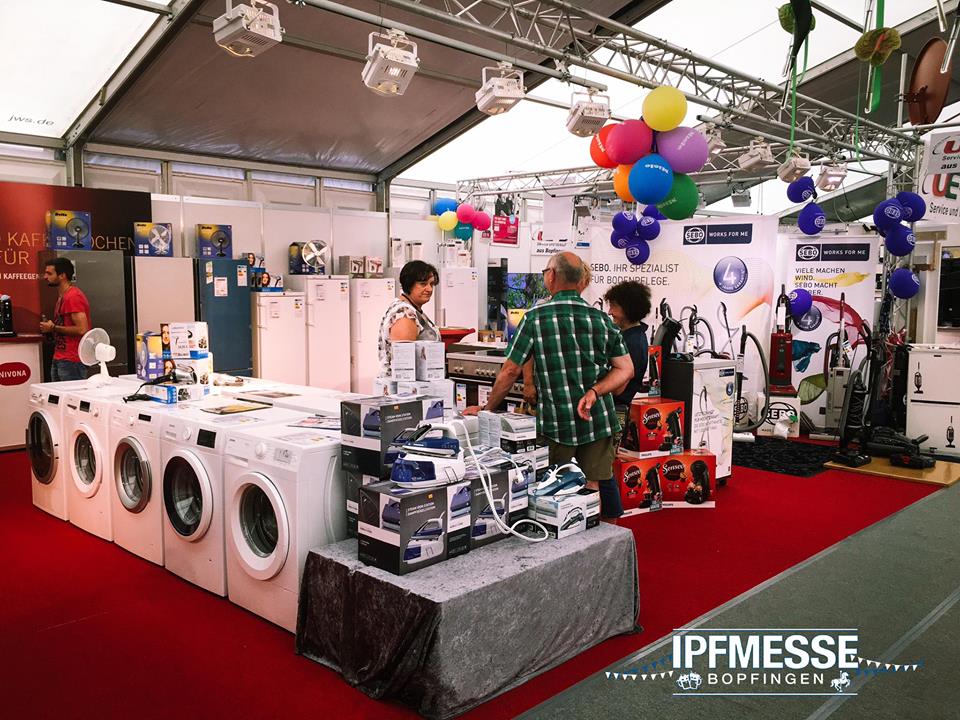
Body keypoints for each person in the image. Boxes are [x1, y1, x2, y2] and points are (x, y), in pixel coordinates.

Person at [465, 252, 634, 520]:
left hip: (557, 421)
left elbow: (510, 370)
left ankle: (560, 536)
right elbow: (625, 369)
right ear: (580, 280)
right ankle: (595, 537)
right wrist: (595, 391)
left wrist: (487, 409)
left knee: (554, 489)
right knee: (592, 487)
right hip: (599, 419)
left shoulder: (534, 318)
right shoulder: (602, 319)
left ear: (552, 276)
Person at [377, 260, 441, 378]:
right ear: (409, 284)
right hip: (405, 387)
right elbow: (405, 368)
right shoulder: (405, 315)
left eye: (431, 284)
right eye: (423, 284)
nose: (429, 289)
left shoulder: (411, 309)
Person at [40, 257, 91, 381]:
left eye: (49, 273)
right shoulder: (63, 296)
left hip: (73, 359)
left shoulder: (73, 296)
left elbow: (82, 329)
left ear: (62, 276)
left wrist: (53, 328)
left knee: (72, 393)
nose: (45, 277)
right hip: (61, 356)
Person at [604, 280, 651, 407]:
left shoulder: (633, 342)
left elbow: (617, 389)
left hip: (617, 408)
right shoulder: (632, 336)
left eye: (614, 306)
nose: (610, 312)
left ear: (628, 308)